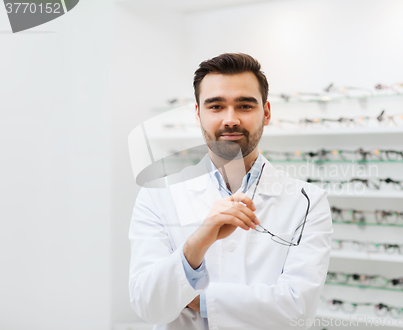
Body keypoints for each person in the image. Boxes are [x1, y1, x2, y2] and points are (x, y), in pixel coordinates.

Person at [129, 53, 333, 330]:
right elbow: (148, 305)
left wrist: (195, 296)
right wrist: (196, 243)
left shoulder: (308, 201)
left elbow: (297, 311)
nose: (230, 119)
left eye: (245, 106)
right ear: (198, 114)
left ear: (267, 112)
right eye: (215, 106)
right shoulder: (158, 195)